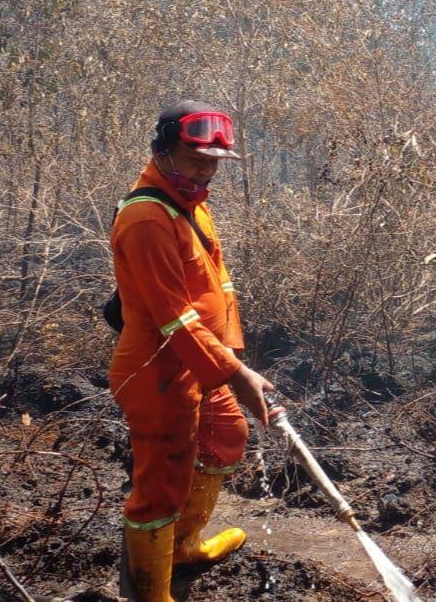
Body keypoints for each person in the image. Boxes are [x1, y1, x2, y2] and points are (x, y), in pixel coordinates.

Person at [109, 100, 275, 602]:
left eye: (213, 161)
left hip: (203, 359)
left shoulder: (192, 203)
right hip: (158, 368)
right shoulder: (146, 219)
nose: (206, 170)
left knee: (227, 433)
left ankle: (184, 548)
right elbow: (172, 317)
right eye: (195, 157)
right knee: (162, 482)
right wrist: (236, 374)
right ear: (162, 150)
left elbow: (218, 287)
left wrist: (234, 358)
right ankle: (153, 592)